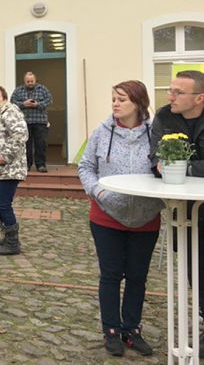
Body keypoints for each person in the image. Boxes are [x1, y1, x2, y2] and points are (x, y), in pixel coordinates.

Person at [79, 80, 163, 357]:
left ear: (138, 104)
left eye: (122, 99)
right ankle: (111, 330)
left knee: (138, 276)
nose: (115, 103)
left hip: (145, 217)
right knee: (111, 275)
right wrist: (97, 191)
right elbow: (86, 166)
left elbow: (169, 169)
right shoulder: (102, 133)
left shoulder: (157, 134)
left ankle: (132, 329)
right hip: (106, 216)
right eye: (114, 98)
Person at [149, 70, 204, 356]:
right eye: (170, 90)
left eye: (178, 92)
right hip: (182, 210)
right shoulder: (163, 116)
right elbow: (156, 156)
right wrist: (166, 164)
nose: (170, 96)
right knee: (195, 267)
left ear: (199, 98)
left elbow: (171, 166)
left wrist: (183, 167)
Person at [0, 85, 28, 254]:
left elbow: (20, 134)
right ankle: (6, 236)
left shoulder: (10, 112)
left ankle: (13, 242)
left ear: (4, 99)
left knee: (3, 204)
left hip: (10, 167)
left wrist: (7, 157)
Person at [10, 71, 52, 172]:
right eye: (28, 81)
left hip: (40, 121)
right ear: (24, 81)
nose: (30, 83)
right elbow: (12, 101)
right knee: (26, 145)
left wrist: (38, 104)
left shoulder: (42, 89)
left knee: (40, 144)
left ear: (35, 80)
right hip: (24, 122)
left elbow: (50, 100)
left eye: (32, 81)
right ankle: (27, 165)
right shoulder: (18, 90)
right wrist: (23, 104)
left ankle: (41, 165)